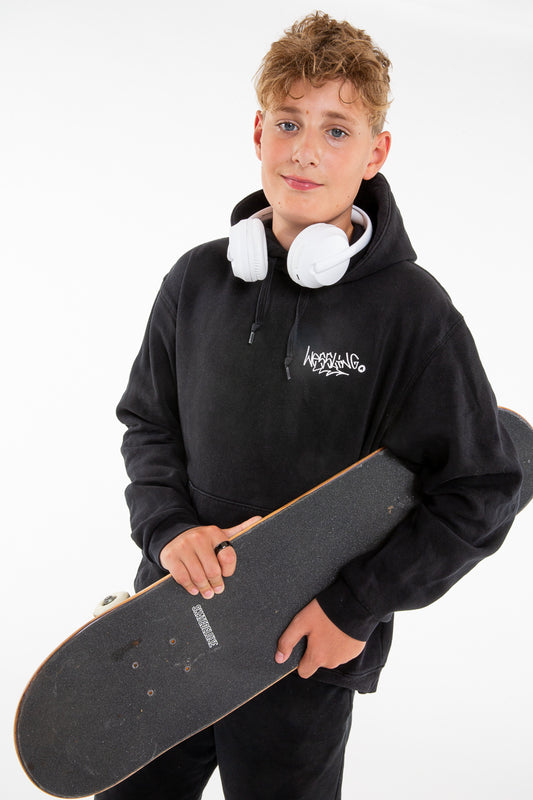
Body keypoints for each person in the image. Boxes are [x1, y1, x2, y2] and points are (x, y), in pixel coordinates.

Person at [100, 11, 522, 800]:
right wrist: (167, 529)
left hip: (301, 650)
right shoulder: (196, 281)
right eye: (289, 122)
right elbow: (148, 424)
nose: (304, 150)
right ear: (258, 131)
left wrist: (354, 607)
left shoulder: (411, 311)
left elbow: (481, 487)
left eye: (336, 130)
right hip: (169, 620)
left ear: (375, 153)